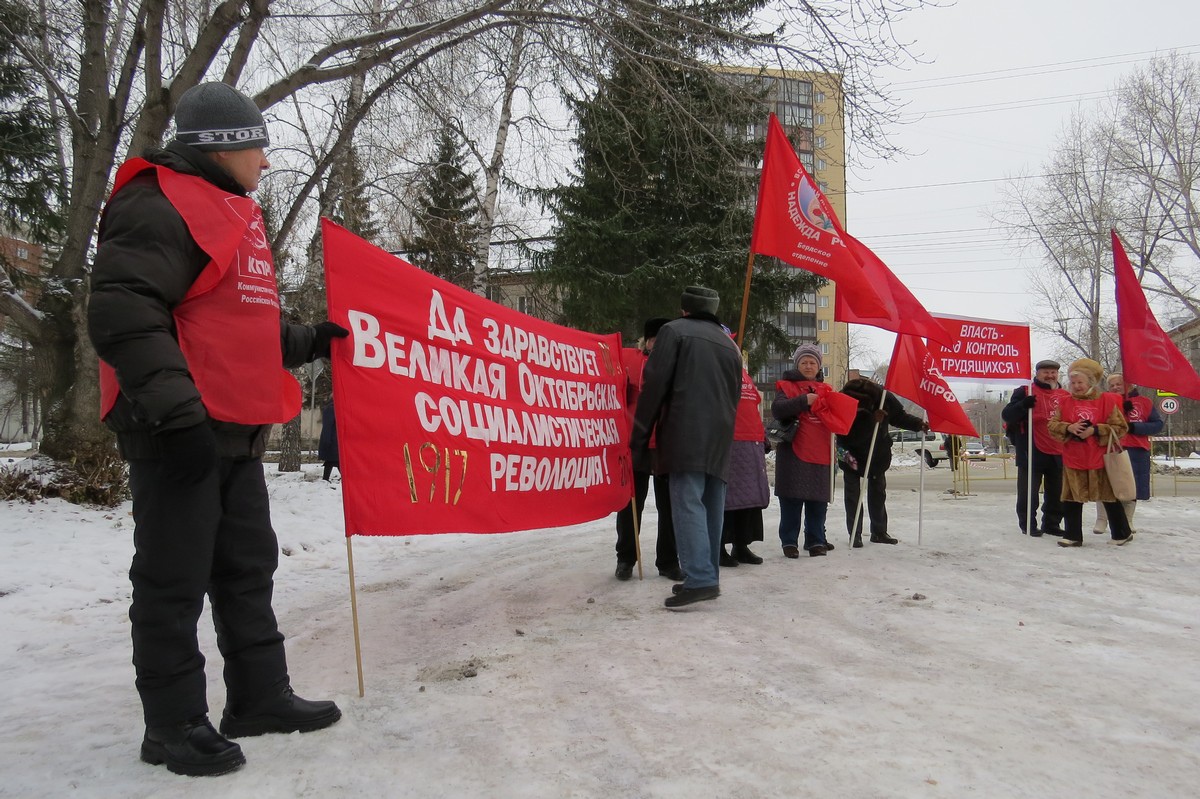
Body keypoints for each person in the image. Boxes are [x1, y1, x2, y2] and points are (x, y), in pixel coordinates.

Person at [87, 82, 348, 777]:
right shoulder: (156, 202)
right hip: (178, 427)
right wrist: (176, 416)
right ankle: (172, 724)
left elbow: (237, 325)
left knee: (245, 565)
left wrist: (309, 339)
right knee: (173, 576)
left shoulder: (230, 210)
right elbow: (124, 311)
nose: (265, 161)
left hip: (233, 425)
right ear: (222, 146)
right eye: (257, 145)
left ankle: (259, 695)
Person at [631, 286, 742, 609]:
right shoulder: (729, 344)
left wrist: (640, 437)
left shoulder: (673, 332)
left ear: (684, 310)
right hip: (720, 433)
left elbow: (655, 386)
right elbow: (735, 394)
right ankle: (707, 575)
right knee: (711, 503)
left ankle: (701, 578)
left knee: (687, 502)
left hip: (685, 430)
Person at [614, 318, 681, 581]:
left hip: (666, 443)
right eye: (655, 339)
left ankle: (668, 561)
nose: (658, 344)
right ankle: (626, 558)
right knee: (631, 504)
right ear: (647, 340)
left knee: (669, 506)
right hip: (636, 442)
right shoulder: (629, 359)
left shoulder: (677, 363)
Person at [1047, 359, 1133, 546]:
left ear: (1090, 382)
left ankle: (1122, 533)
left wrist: (1095, 430)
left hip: (1100, 459)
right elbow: (1052, 426)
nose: (1076, 386)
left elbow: (1121, 427)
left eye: (1080, 382)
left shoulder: (1106, 400)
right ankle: (1072, 535)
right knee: (1071, 499)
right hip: (1074, 458)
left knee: (1109, 498)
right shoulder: (1065, 402)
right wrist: (1069, 428)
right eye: (1073, 383)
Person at [837, 378, 927, 547]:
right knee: (852, 495)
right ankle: (854, 534)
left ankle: (879, 532)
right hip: (850, 453)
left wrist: (918, 424)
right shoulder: (843, 399)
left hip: (876, 453)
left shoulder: (885, 398)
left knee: (878, 493)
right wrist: (872, 421)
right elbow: (846, 432)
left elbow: (899, 417)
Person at [772, 343, 836, 558]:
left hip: (821, 451)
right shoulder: (786, 386)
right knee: (792, 499)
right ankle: (789, 541)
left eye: (812, 362)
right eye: (804, 362)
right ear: (797, 364)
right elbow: (778, 410)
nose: (808, 366)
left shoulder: (827, 390)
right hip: (793, 453)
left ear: (819, 367)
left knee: (818, 501)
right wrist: (803, 401)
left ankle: (816, 540)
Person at [1001, 359, 1068, 536]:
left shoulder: (1065, 395)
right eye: (1045, 372)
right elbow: (1007, 415)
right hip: (1031, 450)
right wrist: (1023, 405)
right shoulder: (1025, 391)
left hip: (1059, 450)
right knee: (1028, 492)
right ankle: (1028, 523)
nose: (1050, 375)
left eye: (1053, 372)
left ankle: (1052, 524)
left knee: (1057, 492)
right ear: (1037, 373)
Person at [1092, 373, 1162, 535]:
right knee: (1106, 484)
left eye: (1119, 384)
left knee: (1131, 487)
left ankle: (1127, 520)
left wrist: (1135, 428)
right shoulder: (1105, 401)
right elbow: (1098, 421)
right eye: (1112, 385)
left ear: (1130, 385)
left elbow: (1157, 424)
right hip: (1110, 448)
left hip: (1137, 450)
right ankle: (1102, 518)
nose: (1116, 387)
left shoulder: (1145, 402)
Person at [720, 356, 769, 567]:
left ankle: (741, 544)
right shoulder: (716, 371)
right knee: (724, 500)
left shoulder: (745, 376)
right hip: (727, 440)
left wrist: (762, 436)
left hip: (751, 442)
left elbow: (753, 407)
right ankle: (718, 547)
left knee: (748, 498)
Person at [319, 400, 340, 481]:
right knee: (336, 460)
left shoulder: (334, 409)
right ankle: (348, 479)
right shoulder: (331, 410)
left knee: (331, 461)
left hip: (334, 440)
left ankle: (325, 479)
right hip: (332, 441)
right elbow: (327, 427)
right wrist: (327, 441)